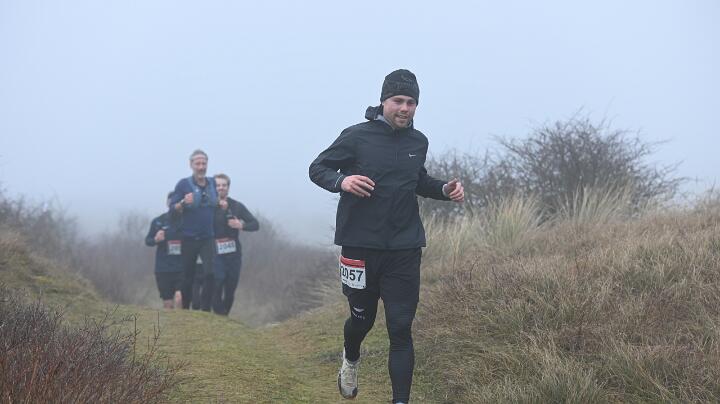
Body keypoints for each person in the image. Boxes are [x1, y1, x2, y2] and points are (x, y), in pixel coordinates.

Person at [309, 69, 464, 404]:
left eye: (411, 102)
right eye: (398, 101)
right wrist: (343, 181)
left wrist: (443, 189)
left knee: (400, 328)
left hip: (404, 247)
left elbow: (416, 180)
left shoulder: (418, 142)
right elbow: (317, 168)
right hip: (359, 247)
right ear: (383, 101)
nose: (405, 108)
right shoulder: (356, 136)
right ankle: (351, 358)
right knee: (361, 321)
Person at [169, 149, 223, 311]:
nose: (201, 167)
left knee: (210, 273)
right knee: (188, 276)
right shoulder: (183, 184)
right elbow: (172, 209)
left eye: (203, 163)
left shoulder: (212, 183)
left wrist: (221, 204)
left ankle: (205, 310)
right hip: (189, 237)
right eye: (197, 163)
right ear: (191, 165)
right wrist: (183, 202)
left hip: (207, 237)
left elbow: (217, 203)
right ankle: (186, 309)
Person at [211, 173, 259, 315]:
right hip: (214, 252)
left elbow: (255, 224)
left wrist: (241, 225)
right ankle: (219, 315)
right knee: (217, 283)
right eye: (217, 185)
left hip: (233, 253)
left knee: (230, 287)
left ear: (228, 187)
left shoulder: (237, 206)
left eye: (224, 185)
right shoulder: (208, 207)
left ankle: (224, 316)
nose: (221, 188)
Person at [144, 192, 184, 309]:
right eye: (172, 202)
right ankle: (170, 321)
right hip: (163, 268)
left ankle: (182, 319)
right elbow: (148, 241)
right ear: (168, 203)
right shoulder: (158, 221)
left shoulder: (188, 221)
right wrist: (156, 239)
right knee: (168, 303)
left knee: (180, 297)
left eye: (178, 202)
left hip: (182, 268)